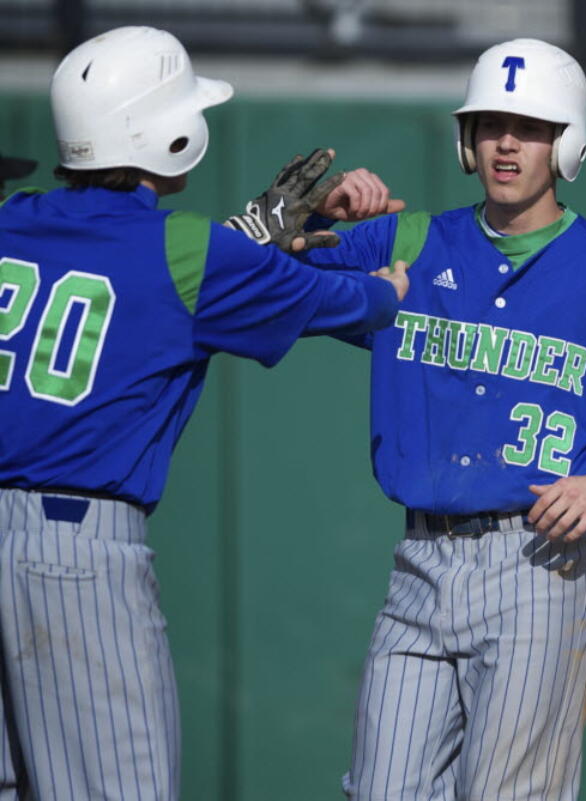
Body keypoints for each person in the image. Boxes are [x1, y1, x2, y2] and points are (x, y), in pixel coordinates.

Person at [290, 38, 586, 800]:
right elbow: (259, 278)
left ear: (568, 142)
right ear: (468, 138)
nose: (508, 143)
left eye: (530, 127)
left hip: (542, 566)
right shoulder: (411, 241)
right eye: (491, 125)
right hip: (421, 562)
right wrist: (312, 215)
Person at [0, 26, 406, 800]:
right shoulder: (189, 252)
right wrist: (394, 286)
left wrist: (254, 235)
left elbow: (126, 267)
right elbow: (352, 302)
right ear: (170, 134)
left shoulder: (13, 217)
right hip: (74, 553)